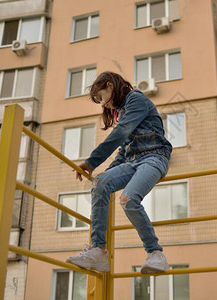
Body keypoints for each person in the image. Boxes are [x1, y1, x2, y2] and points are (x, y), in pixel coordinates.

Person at [66, 71, 172, 274]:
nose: (103, 104)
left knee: (129, 199)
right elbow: (124, 150)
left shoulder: (136, 99)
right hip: (133, 162)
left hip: (154, 157)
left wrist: (91, 162)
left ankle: (155, 253)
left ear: (110, 85)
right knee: (100, 182)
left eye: (100, 97)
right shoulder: (123, 112)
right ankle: (98, 251)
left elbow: (121, 132)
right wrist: (105, 175)